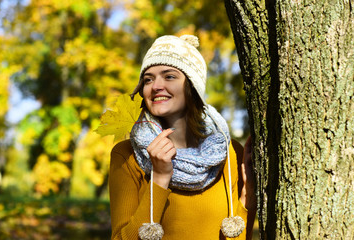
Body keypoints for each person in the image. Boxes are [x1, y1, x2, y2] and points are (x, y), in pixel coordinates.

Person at [109, 35, 256, 240]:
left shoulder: (229, 153)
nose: (156, 86)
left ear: (193, 86)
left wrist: (248, 199)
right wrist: (160, 178)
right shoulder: (126, 155)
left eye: (169, 76)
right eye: (148, 79)